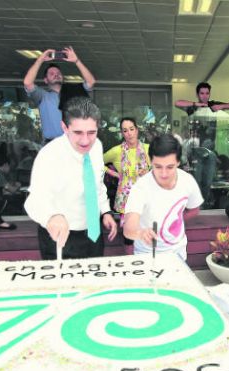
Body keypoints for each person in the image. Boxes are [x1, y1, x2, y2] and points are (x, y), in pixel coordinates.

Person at [24, 97, 117, 259]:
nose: (85, 140)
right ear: (64, 127)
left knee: (95, 282)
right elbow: (34, 200)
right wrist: (51, 217)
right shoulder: (49, 155)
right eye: (78, 133)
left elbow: (97, 185)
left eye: (91, 132)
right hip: (60, 237)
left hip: (92, 232)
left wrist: (105, 211)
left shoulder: (97, 147)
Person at [123, 134, 203, 261]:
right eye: (158, 167)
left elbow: (194, 209)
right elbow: (128, 229)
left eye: (170, 167)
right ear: (151, 162)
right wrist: (141, 233)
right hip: (147, 255)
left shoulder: (187, 181)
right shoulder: (140, 188)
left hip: (178, 255)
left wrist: (173, 221)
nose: (164, 174)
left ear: (178, 162)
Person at [175, 82, 229, 204]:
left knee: (208, 182)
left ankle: (203, 205)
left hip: (210, 152)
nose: (204, 96)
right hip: (196, 152)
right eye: (202, 93)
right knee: (196, 181)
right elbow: (177, 103)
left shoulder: (213, 105)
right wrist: (196, 104)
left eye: (207, 93)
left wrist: (219, 107)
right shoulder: (193, 107)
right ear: (198, 94)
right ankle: (195, 205)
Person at [22, 47, 96, 144]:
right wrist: (40, 60)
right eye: (52, 74)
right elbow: (27, 82)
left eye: (58, 73)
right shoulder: (42, 96)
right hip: (52, 144)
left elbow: (91, 82)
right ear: (46, 80)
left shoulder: (74, 92)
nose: (56, 75)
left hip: (73, 143)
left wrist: (77, 61)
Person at [104, 117, 151, 254]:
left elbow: (159, 167)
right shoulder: (116, 151)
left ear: (137, 130)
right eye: (125, 130)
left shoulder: (148, 149)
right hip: (127, 199)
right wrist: (114, 174)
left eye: (131, 129)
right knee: (129, 235)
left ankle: (147, 263)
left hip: (146, 198)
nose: (129, 133)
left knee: (147, 232)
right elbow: (96, 162)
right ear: (122, 133)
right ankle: (132, 263)